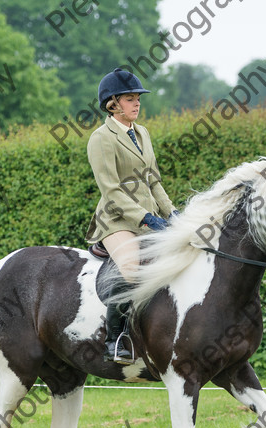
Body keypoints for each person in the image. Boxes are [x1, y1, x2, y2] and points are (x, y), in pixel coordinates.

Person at [85, 67, 177, 364]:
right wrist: (146, 218)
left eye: (138, 98)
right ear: (113, 103)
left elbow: (153, 180)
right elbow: (111, 190)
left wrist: (172, 213)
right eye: (130, 99)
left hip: (147, 217)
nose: (137, 103)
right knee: (130, 268)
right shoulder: (101, 138)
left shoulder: (143, 133)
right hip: (116, 221)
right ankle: (115, 340)